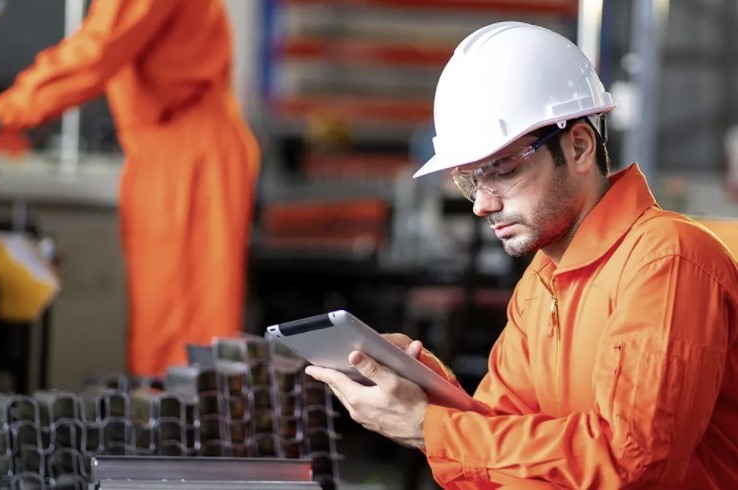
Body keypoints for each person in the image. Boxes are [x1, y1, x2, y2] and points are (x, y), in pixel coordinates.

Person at [306, 22, 738, 489]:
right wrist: (430, 396)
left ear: (578, 147)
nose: (481, 203)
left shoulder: (666, 262)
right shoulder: (542, 281)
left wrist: (429, 427)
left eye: (503, 169)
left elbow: (631, 465)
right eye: (470, 179)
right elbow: (504, 443)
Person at [0, 0, 259, 375]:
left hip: (189, 160)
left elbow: (96, 52)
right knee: (162, 327)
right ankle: (167, 426)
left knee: (182, 341)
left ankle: (179, 431)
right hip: (170, 152)